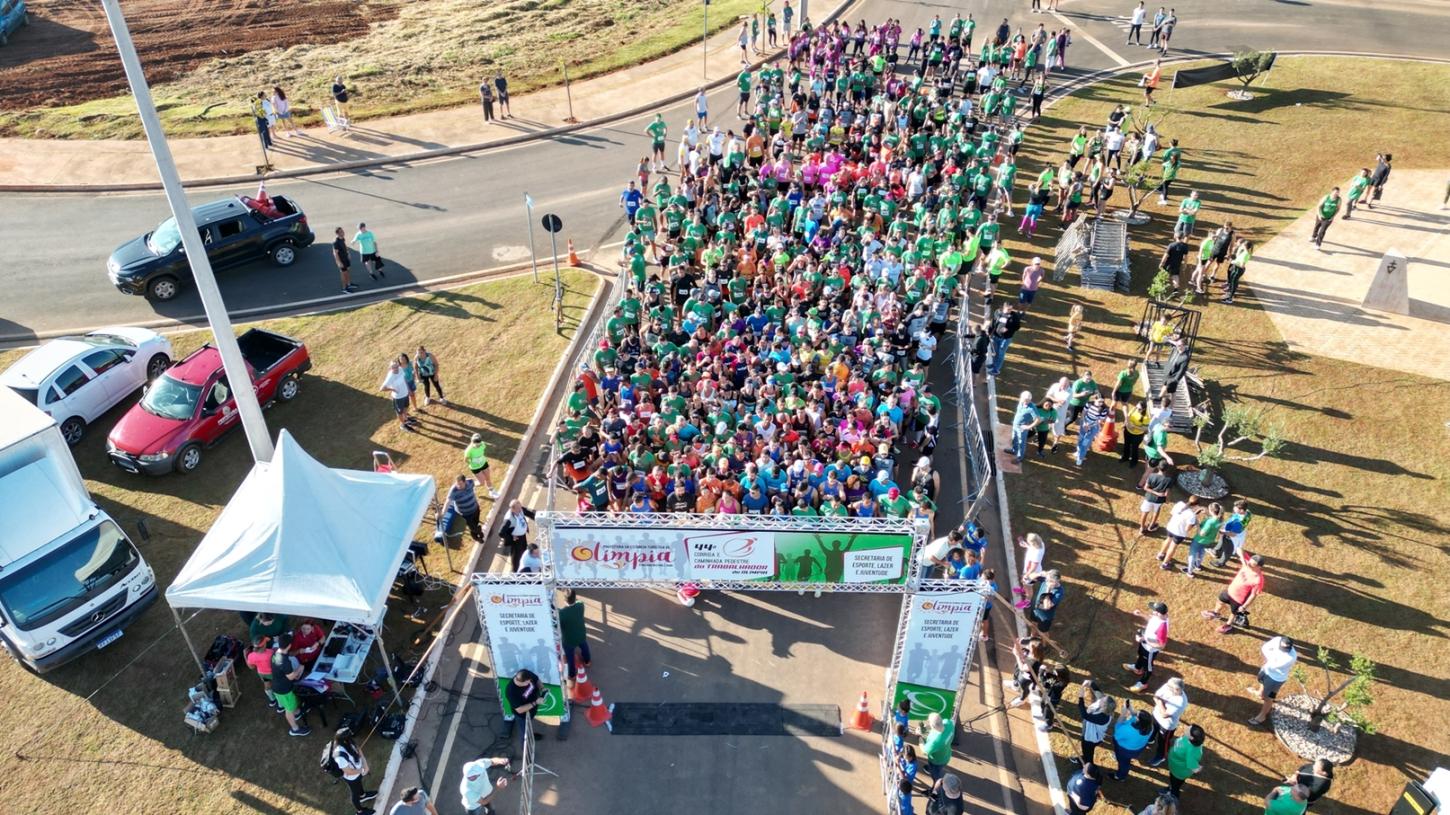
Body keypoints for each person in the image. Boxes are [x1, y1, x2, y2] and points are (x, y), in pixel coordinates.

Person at [1202, 553, 1267, 634]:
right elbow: (1239, 549)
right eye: (1249, 561)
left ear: (1259, 566)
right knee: (1220, 600)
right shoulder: (1247, 564)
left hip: (1238, 599)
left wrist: (1244, 606)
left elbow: (1253, 595)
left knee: (1233, 613)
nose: (1249, 564)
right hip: (1229, 591)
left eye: (1252, 563)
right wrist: (1242, 558)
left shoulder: (1258, 580)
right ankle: (1215, 613)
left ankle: (1228, 625)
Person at [1248, 635, 1298, 725]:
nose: (1285, 651)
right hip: (1266, 670)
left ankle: (1262, 716)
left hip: (1276, 681)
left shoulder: (1291, 657)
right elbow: (1264, 647)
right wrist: (1270, 656)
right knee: (1261, 682)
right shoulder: (1277, 639)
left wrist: (1270, 655)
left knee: (1269, 697)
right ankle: (1260, 693)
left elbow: (1273, 665)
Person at [270, 633, 310, 736]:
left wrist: (299, 651)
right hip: (283, 689)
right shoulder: (284, 662)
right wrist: (300, 668)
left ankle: (297, 712)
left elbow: (288, 655)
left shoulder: (276, 653)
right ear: (289, 645)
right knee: (289, 709)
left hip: (278, 684)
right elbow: (292, 677)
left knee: (293, 703)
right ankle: (295, 729)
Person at [1124, 602, 1169, 692]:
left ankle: (1143, 683)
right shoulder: (1159, 616)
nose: (1152, 611)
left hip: (1150, 650)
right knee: (1140, 655)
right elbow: (1151, 619)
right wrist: (1141, 614)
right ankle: (1137, 668)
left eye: (1154, 610)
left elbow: (1161, 645)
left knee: (1148, 667)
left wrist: (1145, 640)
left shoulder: (1162, 628)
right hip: (1144, 643)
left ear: (1158, 613)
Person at [331, 727, 376, 815]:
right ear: (344, 740)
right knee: (354, 793)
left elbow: (358, 750)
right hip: (351, 777)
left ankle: (363, 795)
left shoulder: (349, 742)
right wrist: (362, 770)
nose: (352, 737)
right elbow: (348, 771)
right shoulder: (340, 755)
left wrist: (365, 765)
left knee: (359, 783)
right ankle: (360, 811)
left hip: (358, 772)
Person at [1147, 677, 1187, 765]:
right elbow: (1156, 696)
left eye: (1170, 688)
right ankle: (1150, 739)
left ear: (1177, 690)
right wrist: (1159, 701)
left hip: (1167, 725)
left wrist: (1159, 702)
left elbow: (1164, 715)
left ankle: (1161, 756)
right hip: (1156, 715)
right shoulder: (1169, 685)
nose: (1167, 687)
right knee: (1152, 729)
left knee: (1163, 742)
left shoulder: (1180, 702)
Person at [1110, 702, 1155, 780]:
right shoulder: (1150, 727)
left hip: (1124, 750)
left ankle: (1120, 776)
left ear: (1137, 720)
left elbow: (1117, 728)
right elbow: (1136, 717)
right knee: (1126, 759)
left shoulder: (1128, 729)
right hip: (1137, 749)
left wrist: (1123, 713)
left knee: (1124, 763)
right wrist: (1131, 709)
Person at [1076, 680, 1115, 766]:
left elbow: (1085, 715)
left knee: (1088, 752)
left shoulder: (1102, 718)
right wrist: (1090, 683)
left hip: (1091, 739)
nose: (1100, 699)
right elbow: (1097, 691)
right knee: (1087, 751)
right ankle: (1085, 758)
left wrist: (1081, 698)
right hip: (1089, 732)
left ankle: (1088, 766)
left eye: (1102, 701)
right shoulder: (1105, 705)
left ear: (1103, 707)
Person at [504, 668, 544, 745]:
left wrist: (542, 688)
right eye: (528, 682)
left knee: (529, 725)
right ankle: (525, 749)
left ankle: (531, 735)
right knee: (524, 733)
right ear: (521, 682)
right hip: (522, 715)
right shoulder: (511, 691)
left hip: (532, 708)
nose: (530, 683)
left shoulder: (526, 674)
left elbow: (536, 679)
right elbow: (519, 710)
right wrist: (535, 702)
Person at [1166, 723, 1205, 800]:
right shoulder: (1189, 739)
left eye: (1188, 730)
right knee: (1173, 782)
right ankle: (1172, 788)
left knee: (1175, 784)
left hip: (1178, 773)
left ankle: (1173, 795)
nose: (1186, 728)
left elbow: (1194, 768)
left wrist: (1199, 768)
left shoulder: (1192, 751)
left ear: (1191, 738)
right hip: (1175, 766)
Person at [499, 500, 537, 572]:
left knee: (524, 549)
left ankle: (525, 563)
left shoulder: (519, 509)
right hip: (516, 539)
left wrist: (538, 516)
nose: (520, 510)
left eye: (520, 507)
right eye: (518, 508)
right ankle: (515, 571)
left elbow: (528, 512)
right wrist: (511, 537)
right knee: (516, 555)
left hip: (522, 536)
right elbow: (501, 533)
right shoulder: (508, 519)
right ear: (512, 509)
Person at [245, 636, 278, 712]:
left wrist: (245, 656)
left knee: (267, 685)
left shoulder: (251, 656)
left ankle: (272, 700)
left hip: (263, 674)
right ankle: (279, 700)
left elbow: (251, 667)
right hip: (273, 673)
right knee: (276, 685)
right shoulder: (270, 653)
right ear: (264, 645)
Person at [921, 711, 955, 781]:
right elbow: (938, 725)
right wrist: (927, 727)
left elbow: (924, 751)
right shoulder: (949, 723)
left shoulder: (935, 741)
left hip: (936, 761)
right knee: (936, 768)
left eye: (929, 721)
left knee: (935, 775)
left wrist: (920, 739)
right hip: (946, 755)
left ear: (933, 726)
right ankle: (931, 769)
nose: (928, 722)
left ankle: (937, 788)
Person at [464, 433, 499, 498]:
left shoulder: (483, 444)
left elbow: (481, 452)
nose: (478, 446)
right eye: (476, 445)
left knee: (488, 478)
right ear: (472, 442)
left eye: (479, 444)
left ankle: (491, 491)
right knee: (481, 483)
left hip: (483, 464)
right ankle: (470, 484)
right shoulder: (468, 450)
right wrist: (472, 463)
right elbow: (466, 460)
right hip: (475, 467)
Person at [332, 227, 357, 293]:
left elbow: (345, 246)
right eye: (340, 232)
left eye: (342, 231)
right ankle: (344, 288)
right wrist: (339, 262)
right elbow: (335, 253)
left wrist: (348, 253)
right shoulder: (336, 242)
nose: (343, 233)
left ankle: (349, 284)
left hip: (346, 258)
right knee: (343, 273)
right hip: (341, 260)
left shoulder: (342, 238)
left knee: (348, 271)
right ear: (337, 233)